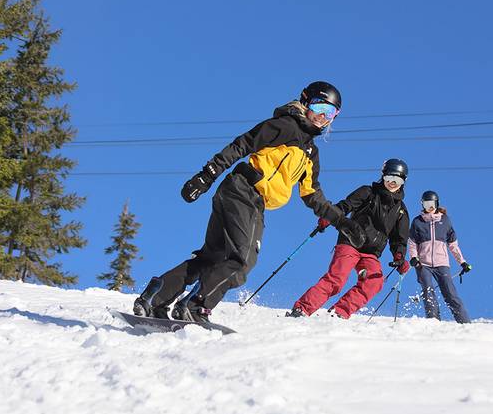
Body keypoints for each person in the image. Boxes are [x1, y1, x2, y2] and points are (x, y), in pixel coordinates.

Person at [133, 81, 366, 323]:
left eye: (330, 113)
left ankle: (155, 297)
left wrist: (343, 223)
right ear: (306, 102)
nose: (322, 117)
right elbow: (242, 145)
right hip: (242, 192)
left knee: (212, 258)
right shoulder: (285, 126)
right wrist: (207, 175)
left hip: (253, 202)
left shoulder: (310, 154)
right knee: (241, 261)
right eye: (319, 107)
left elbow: (312, 195)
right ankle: (196, 305)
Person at [288, 159, 411, 319]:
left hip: (371, 254)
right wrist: (329, 216)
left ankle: (338, 312)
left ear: (403, 182)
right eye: (389, 178)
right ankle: (302, 309)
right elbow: (345, 206)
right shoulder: (368, 192)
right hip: (351, 242)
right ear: (383, 177)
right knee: (337, 279)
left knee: (374, 282)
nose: (393, 183)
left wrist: (399, 256)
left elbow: (399, 239)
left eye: (398, 180)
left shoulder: (401, 210)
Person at [408, 190, 472, 323]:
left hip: (442, 263)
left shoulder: (445, 221)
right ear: (422, 205)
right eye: (426, 204)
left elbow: (453, 245)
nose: (429, 207)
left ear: (437, 204)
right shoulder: (417, 222)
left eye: (432, 204)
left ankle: (464, 322)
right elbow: (412, 243)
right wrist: (414, 257)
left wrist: (463, 262)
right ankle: (433, 321)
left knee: (450, 293)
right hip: (423, 264)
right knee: (428, 291)